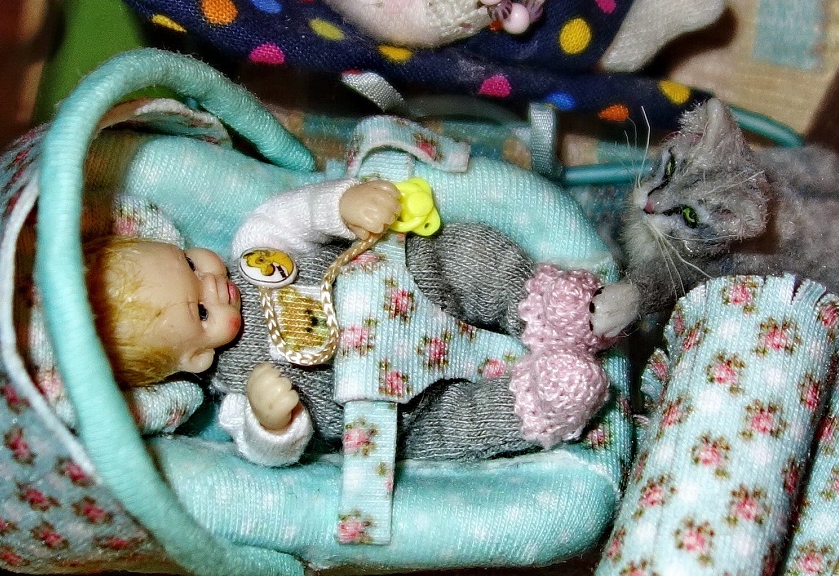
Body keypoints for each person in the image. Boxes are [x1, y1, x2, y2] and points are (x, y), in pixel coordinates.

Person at [85, 176, 618, 467]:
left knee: (465, 252)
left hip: (416, 277)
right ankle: (539, 402)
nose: (211, 281)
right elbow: (266, 452)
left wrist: (344, 205)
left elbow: (298, 211)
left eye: (188, 262)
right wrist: (273, 422)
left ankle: (542, 305)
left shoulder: (254, 248)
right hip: (399, 409)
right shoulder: (236, 400)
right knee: (457, 430)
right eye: (201, 311)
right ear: (197, 357)